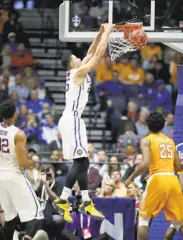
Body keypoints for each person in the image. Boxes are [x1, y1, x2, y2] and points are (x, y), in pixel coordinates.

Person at [53, 23, 114, 223]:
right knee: (81, 162)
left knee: (83, 162)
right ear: (72, 64)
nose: (80, 59)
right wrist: (107, 33)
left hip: (71, 120)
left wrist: (98, 33)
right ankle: (64, 200)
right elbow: (97, 56)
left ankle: (84, 201)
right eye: (76, 59)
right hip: (72, 120)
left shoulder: (76, 71)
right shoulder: (78, 73)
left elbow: (90, 52)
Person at [125, 112, 183, 240]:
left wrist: (130, 178)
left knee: (144, 220)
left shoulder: (147, 140)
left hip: (157, 180)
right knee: (179, 222)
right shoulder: (170, 141)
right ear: (163, 126)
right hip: (173, 180)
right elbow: (178, 167)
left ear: (147, 126)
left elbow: (145, 163)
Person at [0, 99, 43, 240]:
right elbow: (23, 162)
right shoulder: (18, 134)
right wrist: (34, 163)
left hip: (1, 177)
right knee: (37, 215)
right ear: (14, 114)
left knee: (10, 217)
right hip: (14, 175)